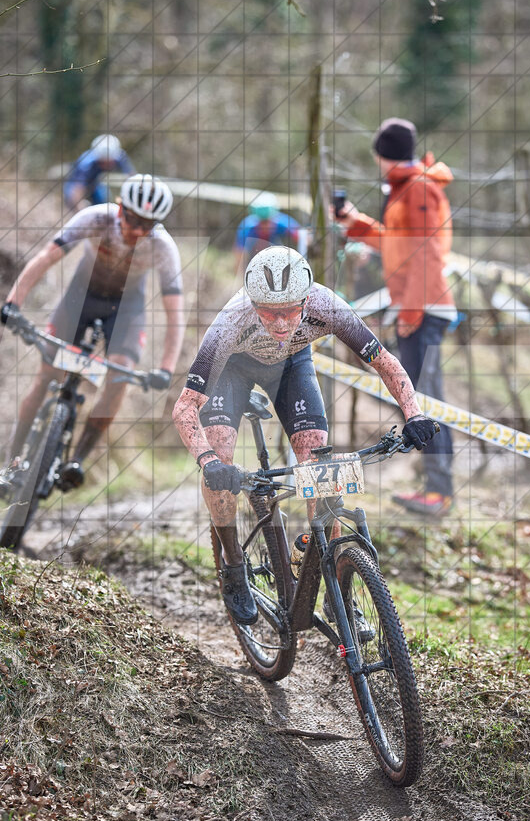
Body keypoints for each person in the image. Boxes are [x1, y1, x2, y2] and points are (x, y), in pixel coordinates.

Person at [172, 245, 437, 625]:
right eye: (267, 312)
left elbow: (384, 363)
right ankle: (233, 565)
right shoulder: (230, 321)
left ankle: (332, 585)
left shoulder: (327, 306)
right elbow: (184, 407)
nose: (280, 324)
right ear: (252, 302)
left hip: (293, 365)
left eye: (290, 311)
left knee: (320, 465)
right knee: (222, 456)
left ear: (306, 299)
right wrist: (208, 461)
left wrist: (414, 414)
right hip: (233, 371)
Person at [0, 174, 184, 498]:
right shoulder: (96, 218)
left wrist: (166, 368)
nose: (138, 231)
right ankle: (12, 463)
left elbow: (174, 312)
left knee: (119, 375)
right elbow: (46, 258)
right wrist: (13, 302)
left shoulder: (163, 248)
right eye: (133, 219)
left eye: (147, 225)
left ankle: (76, 460)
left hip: (125, 309)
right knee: (46, 376)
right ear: (120, 208)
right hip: (80, 297)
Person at [334, 118, 455, 517]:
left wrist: (412, 309)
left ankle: (438, 492)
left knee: (425, 398)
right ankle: (432, 485)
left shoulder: (418, 189)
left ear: (382, 155)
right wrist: (357, 224)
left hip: (424, 308)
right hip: (418, 306)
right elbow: (396, 243)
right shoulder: (408, 188)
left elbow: (425, 252)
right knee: (419, 394)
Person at [63, 134, 135, 211]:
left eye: (110, 162)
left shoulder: (119, 157)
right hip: (75, 184)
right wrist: (81, 210)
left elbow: (132, 176)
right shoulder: (86, 164)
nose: (108, 165)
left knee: (103, 202)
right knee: (74, 205)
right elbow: (77, 190)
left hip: (95, 183)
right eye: (104, 162)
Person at [233, 191, 302, 269]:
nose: (265, 226)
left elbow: (301, 237)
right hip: (254, 265)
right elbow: (239, 256)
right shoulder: (247, 228)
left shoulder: (283, 223)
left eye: (268, 221)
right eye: (262, 222)